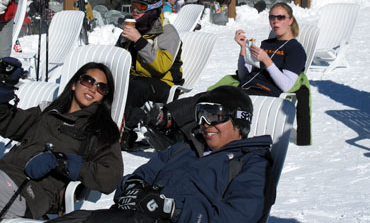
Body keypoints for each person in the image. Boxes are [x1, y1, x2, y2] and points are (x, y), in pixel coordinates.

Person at [47, 85, 276, 223]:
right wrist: (132, 189)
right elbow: (138, 177)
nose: (205, 124)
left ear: (239, 120)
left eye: (214, 116)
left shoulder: (252, 164)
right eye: (201, 115)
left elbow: (237, 218)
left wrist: (174, 210)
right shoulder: (183, 148)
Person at [0, 59, 123, 219]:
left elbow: (111, 176)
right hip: (4, 174)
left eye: (101, 87)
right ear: (74, 84)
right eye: (88, 81)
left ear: (104, 96)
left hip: (29, 193)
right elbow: (7, 122)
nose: (93, 88)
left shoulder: (100, 129)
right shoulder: (47, 113)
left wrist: (62, 161)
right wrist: (3, 88)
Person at [115, 0, 183, 151]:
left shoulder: (168, 32)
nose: (135, 11)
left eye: (142, 7)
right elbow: (118, 58)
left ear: (154, 10)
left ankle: (124, 131)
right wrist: (123, 44)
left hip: (164, 84)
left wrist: (138, 41)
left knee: (135, 86)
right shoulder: (133, 29)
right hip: (137, 79)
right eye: (133, 6)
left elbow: (161, 66)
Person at [235, 2, 306, 97]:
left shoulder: (296, 50)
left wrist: (266, 60)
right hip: (244, 87)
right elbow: (243, 76)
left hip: (264, 93)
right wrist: (243, 48)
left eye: (280, 17)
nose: (275, 21)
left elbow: (286, 86)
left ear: (290, 20)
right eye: (272, 17)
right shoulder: (266, 44)